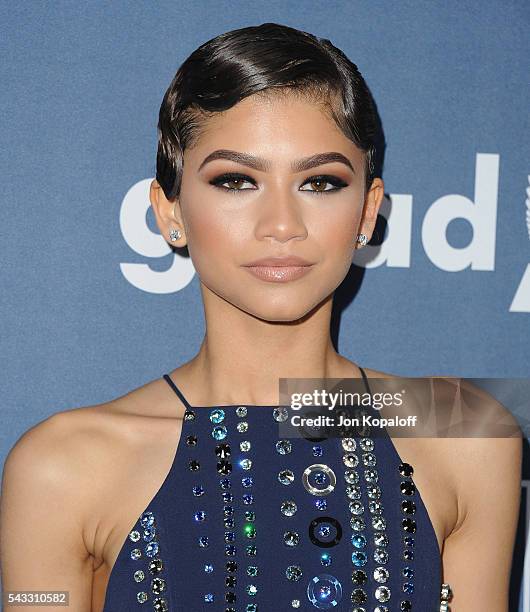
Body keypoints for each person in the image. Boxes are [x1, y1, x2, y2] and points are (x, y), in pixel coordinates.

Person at [0, 22, 522, 612]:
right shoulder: (60, 466)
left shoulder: (465, 430)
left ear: (367, 212)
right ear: (169, 211)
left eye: (321, 181)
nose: (282, 224)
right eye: (236, 180)